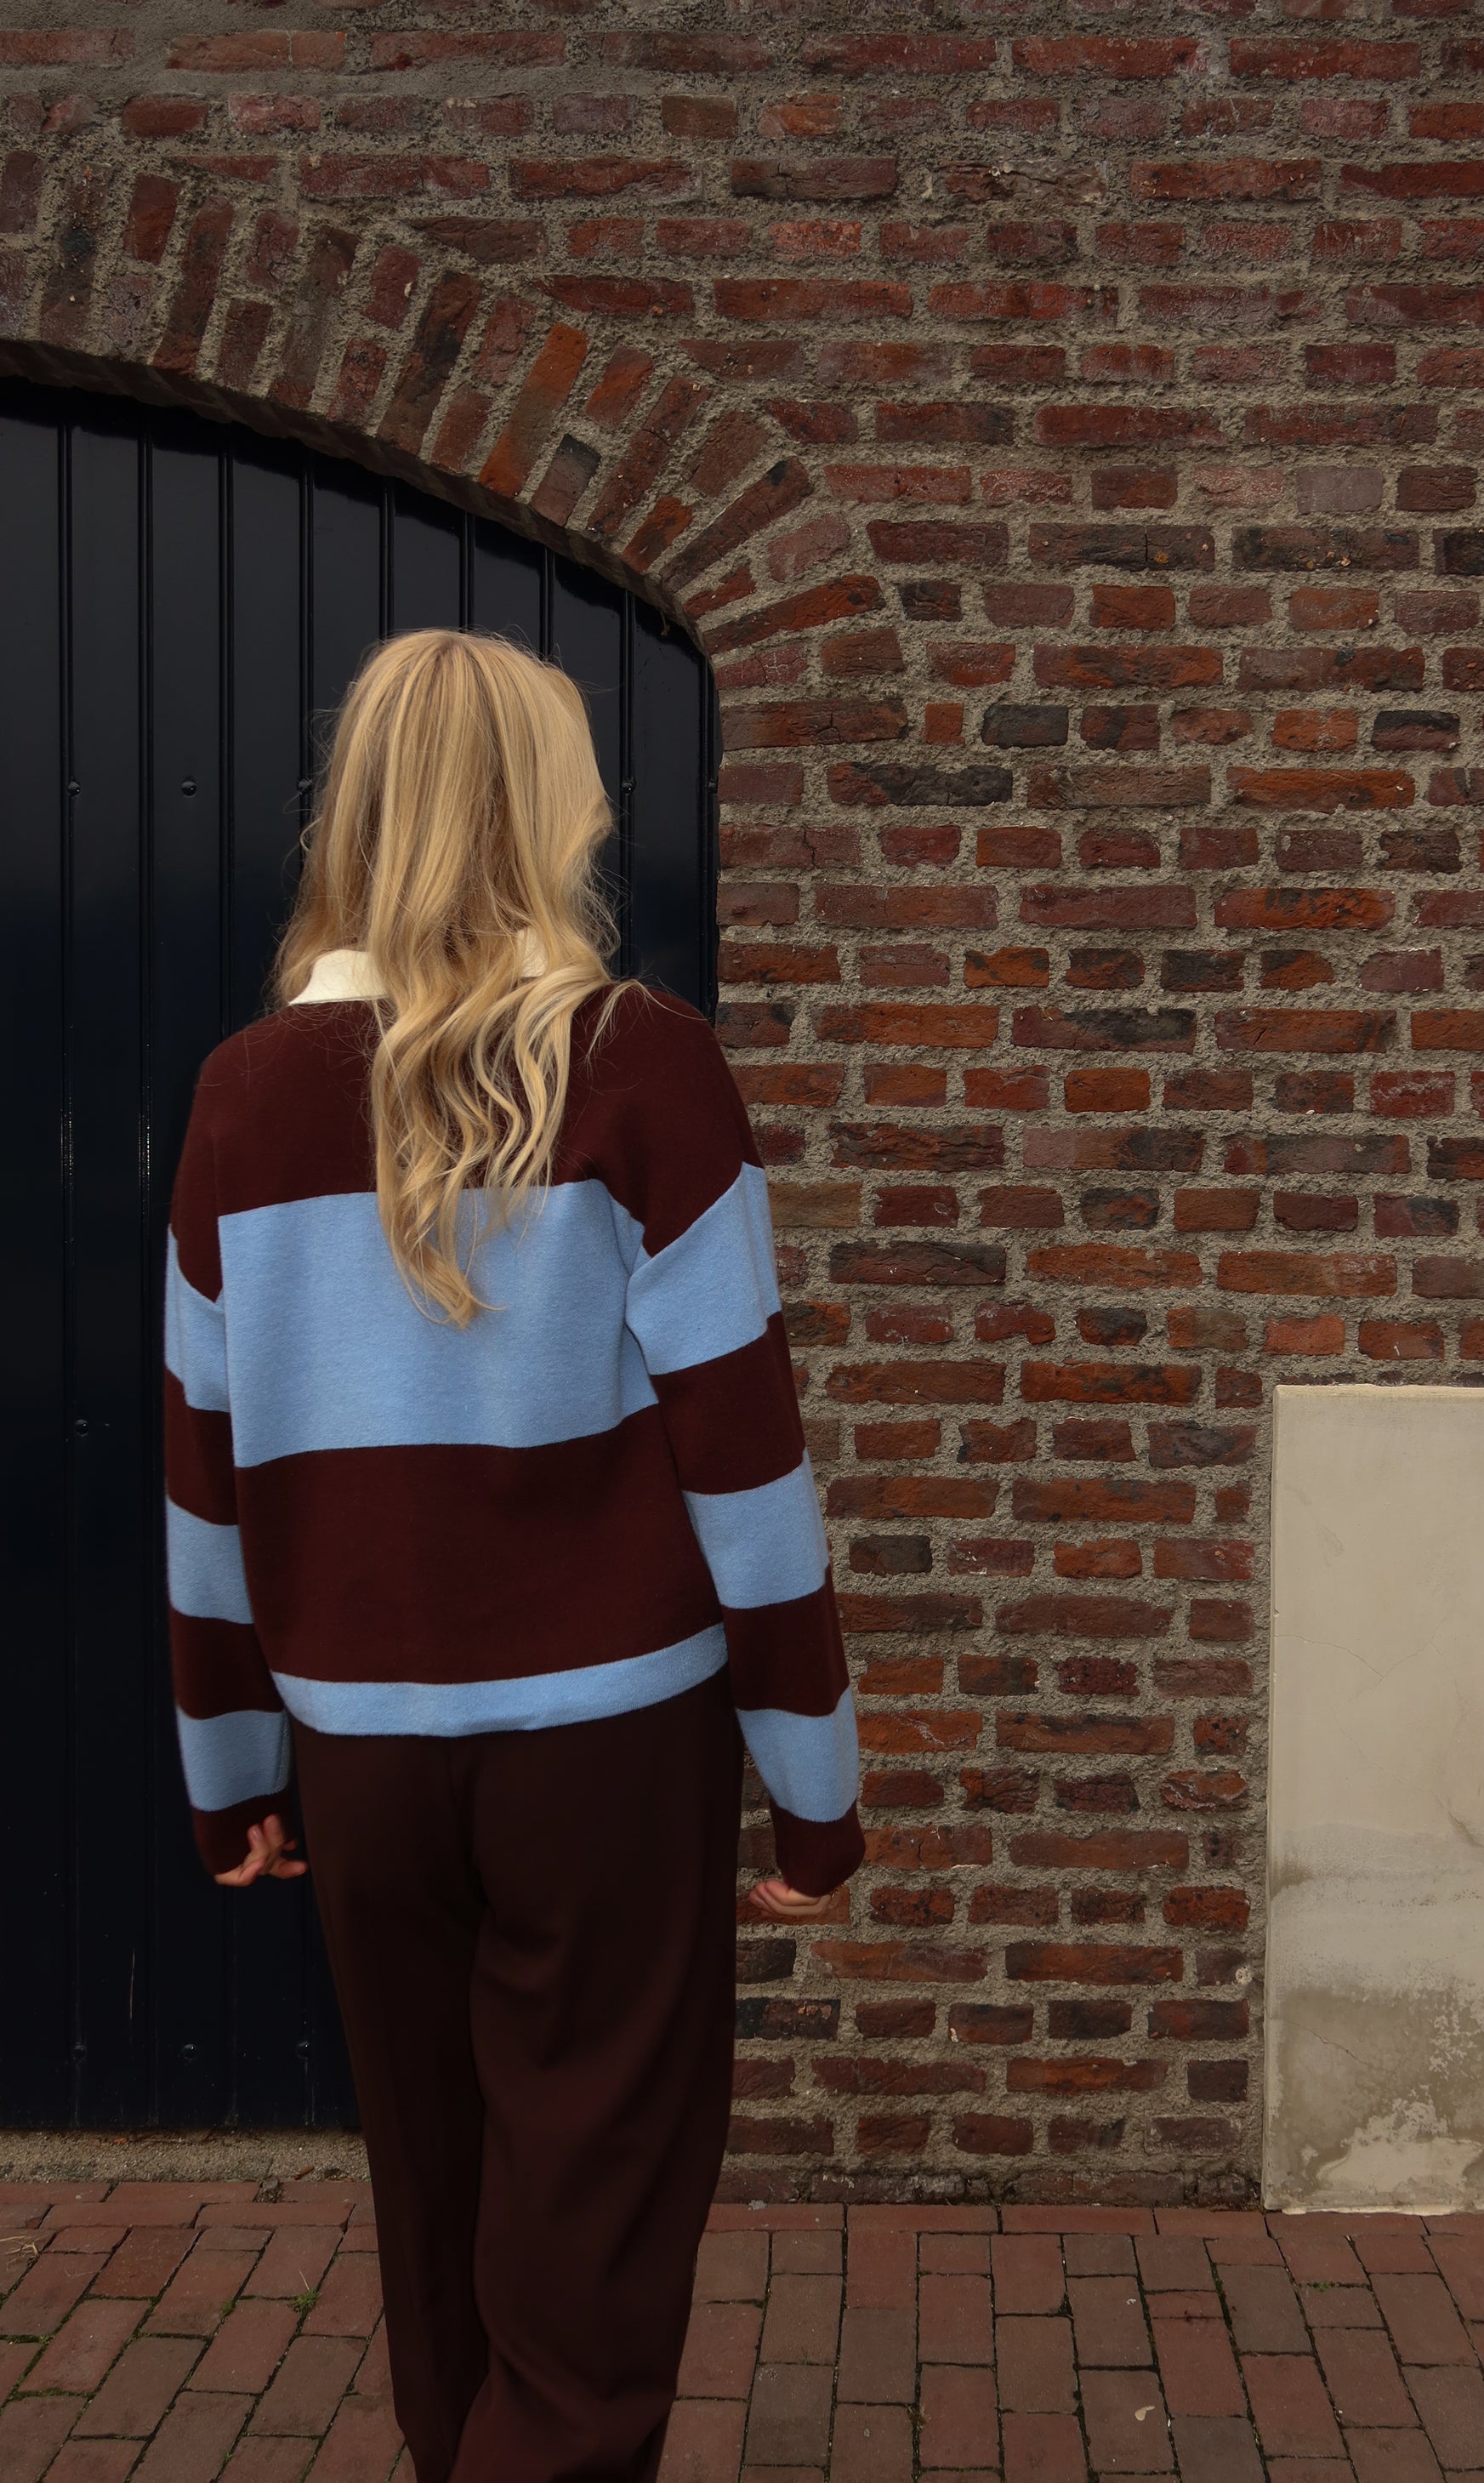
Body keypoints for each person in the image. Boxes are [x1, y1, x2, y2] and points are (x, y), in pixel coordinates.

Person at [162, 627, 863, 2483]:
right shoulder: (648, 1068)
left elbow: (205, 1477)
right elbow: (748, 1468)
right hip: (609, 1753)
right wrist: (814, 1793)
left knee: (438, 2210)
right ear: (552, 809)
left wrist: (231, 1770)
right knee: (594, 2237)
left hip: (364, 1756)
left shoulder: (240, 1095)